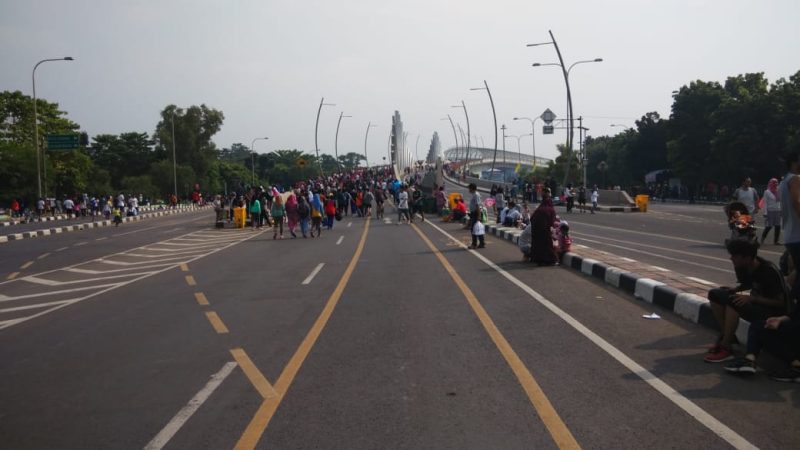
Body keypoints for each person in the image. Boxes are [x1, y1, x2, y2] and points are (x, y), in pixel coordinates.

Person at [705, 239, 791, 362]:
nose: (731, 258)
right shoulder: (741, 266)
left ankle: (726, 347)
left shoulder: (768, 271)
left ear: (748, 258)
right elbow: (748, 284)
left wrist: (752, 298)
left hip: (774, 312)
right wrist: (736, 289)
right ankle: (727, 337)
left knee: (733, 302)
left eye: (735, 256)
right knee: (715, 294)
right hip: (757, 303)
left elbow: (780, 302)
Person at [780, 150, 800, 301]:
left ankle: (784, 296)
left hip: (790, 233)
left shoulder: (784, 180)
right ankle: (789, 304)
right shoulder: (795, 179)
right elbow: (796, 201)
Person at [531, 188, 558, 265]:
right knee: (547, 243)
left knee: (538, 243)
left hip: (536, 227)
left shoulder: (541, 206)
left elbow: (532, 218)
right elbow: (552, 222)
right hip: (543, 228)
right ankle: (551, 260)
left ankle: (539, 260)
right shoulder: (550, 208)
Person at [761, 178, 781, 245]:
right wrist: (765, 212)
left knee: (778, 226)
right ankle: (762, 240)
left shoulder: (778, 191)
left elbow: (780, 202)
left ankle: (776, 241)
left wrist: (781, 210)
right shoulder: (767, 192)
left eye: (777, 182)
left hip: (777, 210)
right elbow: (765, 203)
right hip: (770, 211)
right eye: (774, 182)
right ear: (770, 183)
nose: (776, 184)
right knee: (769, 226)